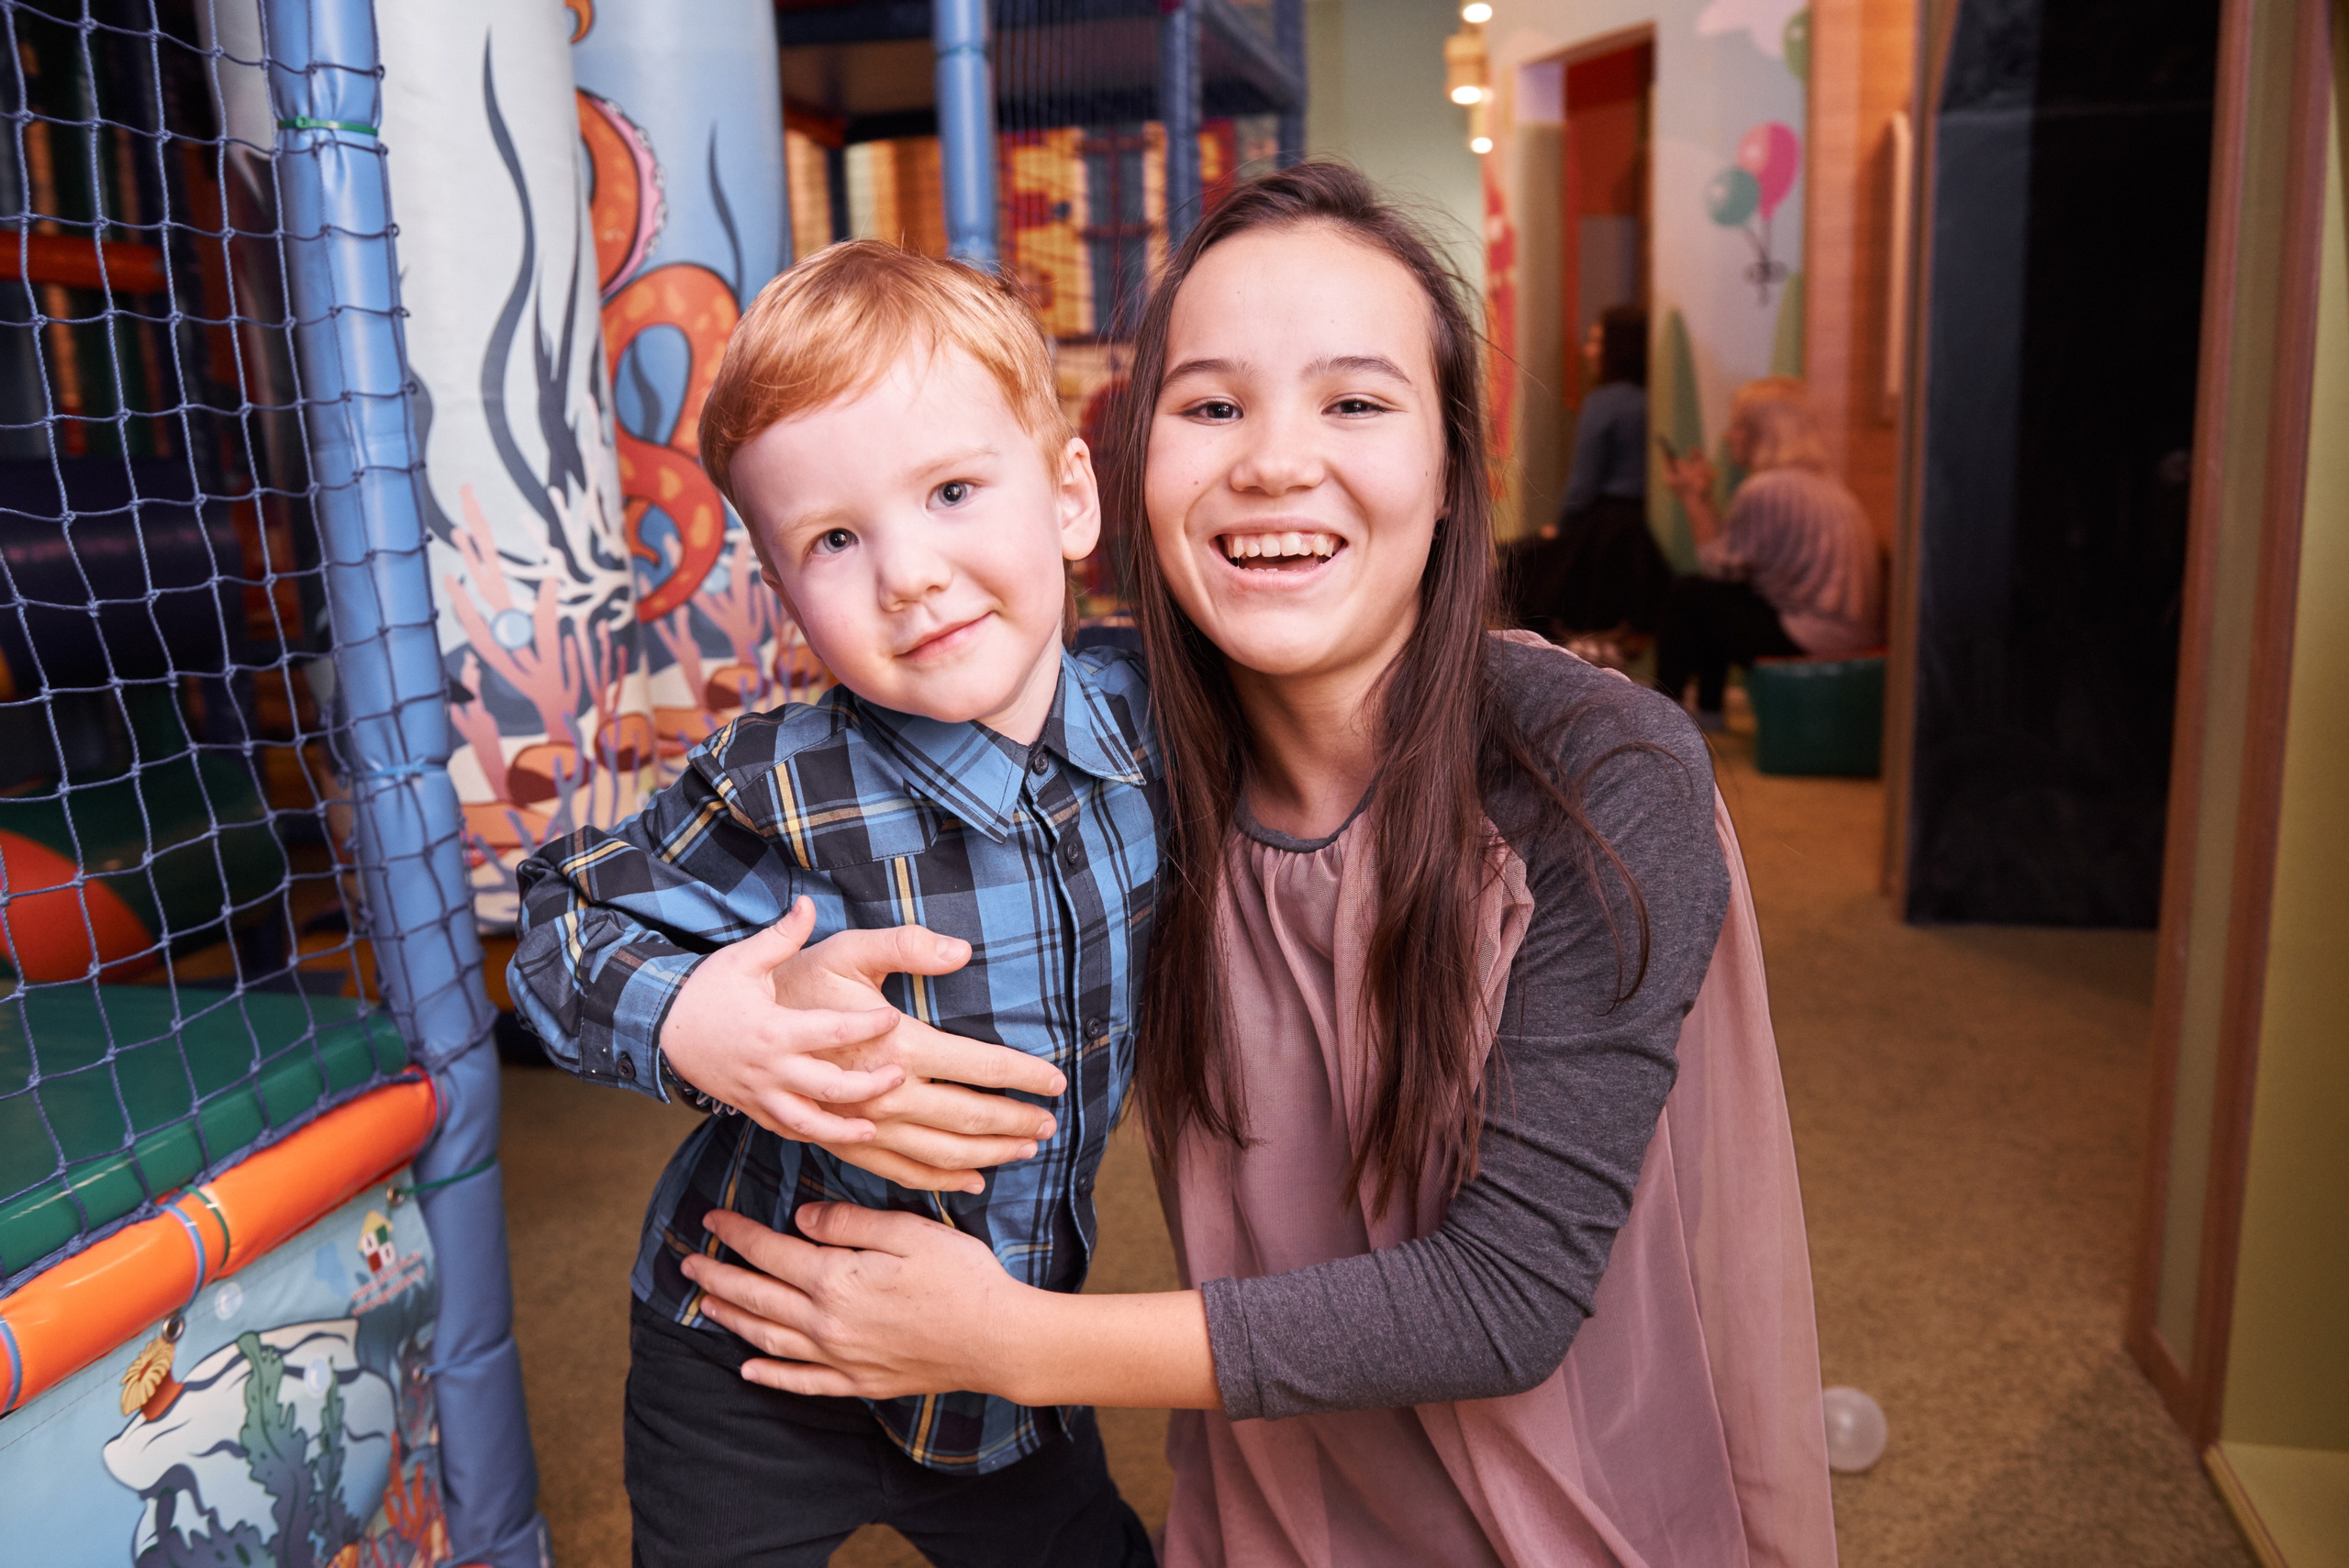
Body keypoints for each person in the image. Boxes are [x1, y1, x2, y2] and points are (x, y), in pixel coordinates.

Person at [678, 164, 1837, 1567]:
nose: (1275, 461)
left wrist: (1005, 1341)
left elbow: (1509, 1297)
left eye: (1354, 401)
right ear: (1118, 476)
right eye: (1213, 406)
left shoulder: (1600, 773)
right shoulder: (1093, 740)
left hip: (1560, 1495)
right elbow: (723, 853)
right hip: (1276, 1491)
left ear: (1455, 463)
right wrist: (729, 1008)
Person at [508, 241, 1158, 1566]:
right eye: (836, 538)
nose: (909, 572)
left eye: (956, 490)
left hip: (1004, 1350)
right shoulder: (779, 781)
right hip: (747, 1350)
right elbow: (559, 918)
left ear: (1071, 495)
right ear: (785, 589)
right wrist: (702, 1017)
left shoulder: (1159, 725)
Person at [1657, 376, 1885, 728]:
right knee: (1709, 597)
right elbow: (1735, 560)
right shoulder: (1822, 483)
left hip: (1812, 635)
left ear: (1761, 432)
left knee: (1687, 594)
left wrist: (1690, 499)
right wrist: (1702, 497)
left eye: (1736, 427)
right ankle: (1707, 711)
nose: (1727, 437)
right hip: (1847, 631)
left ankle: (1663, 718)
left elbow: (1719, 568)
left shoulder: (1766, 489)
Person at [1506, 304, 1670, 646]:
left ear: (1618, 348)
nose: (1588, 350)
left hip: (1600, 528)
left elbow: (1583, 483)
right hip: (1633, 531)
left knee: (1516, 571)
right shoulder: (1650, 401)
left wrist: (1561, 529)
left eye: (1597, 341)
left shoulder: (1604, 402)